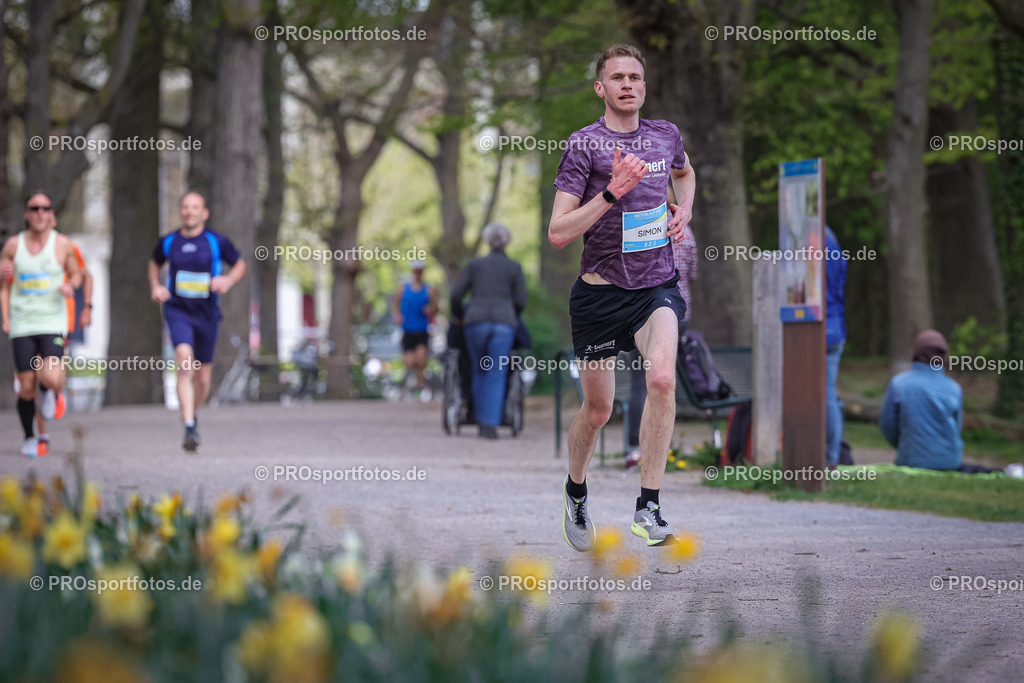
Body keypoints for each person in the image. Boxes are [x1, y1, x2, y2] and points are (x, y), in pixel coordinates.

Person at [550, 44, 695, 549]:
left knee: (661, 379)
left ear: (644, 87)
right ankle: (576, 490)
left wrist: (685, 209)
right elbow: (558, 232)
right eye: (617, 77)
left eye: (635, 77)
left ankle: (648, 507)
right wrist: (612, 191)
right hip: (599, 295)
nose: (627, 84)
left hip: (655, 287)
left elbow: (685, 173)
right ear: (601, 88)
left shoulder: (665, 135)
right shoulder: (584, 145)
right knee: (598, 411)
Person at [149, 192, 246, 451]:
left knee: (203, 379)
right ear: (180, 212)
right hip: (178, 311)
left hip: (207, 314)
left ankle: (192, 412)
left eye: (195, 207)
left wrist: (228, 280)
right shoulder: (169, 241)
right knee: (184, 362)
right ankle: (189, 426)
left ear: (204, 213)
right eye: (185, 207)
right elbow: (154, 263)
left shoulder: (216, 241)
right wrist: (156, 286)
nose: (189, 212)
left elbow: (240, 265)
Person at [0, 193, 83, 457]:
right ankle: (29, 437)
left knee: (50, 376)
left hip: (52, 321)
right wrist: (5, 317)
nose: (39, 212)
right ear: (26, 214)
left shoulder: (62, 244)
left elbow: (77, 273)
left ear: (51, 214)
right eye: (34, 208)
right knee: (26, 386)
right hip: (23, 323)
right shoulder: (13, 245)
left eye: (45, 208)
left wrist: (71, 285)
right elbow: (3, 285)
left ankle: (49, 390)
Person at [878, 330, 1002, 474]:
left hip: (912, 460)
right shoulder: (954, 388)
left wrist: (902, 445)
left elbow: (887, 423)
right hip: (950, 461)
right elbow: (957, 427)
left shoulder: (899, 384)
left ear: (916, 352)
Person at [625, 223, 697, 468]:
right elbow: (693, 273)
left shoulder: (639, 225)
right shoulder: (685, 232)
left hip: (641, 313)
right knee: (666, 381)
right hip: (679, 312)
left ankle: (635, 450)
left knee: (640, 382)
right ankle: (662, 449)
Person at [451, 223, 527, 439]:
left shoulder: (475, 265)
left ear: (487, 242)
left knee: (478, 370)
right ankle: (491, 424)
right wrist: (512, 315)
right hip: (504, 324)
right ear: (507, 243)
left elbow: (456, 295)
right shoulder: (514, 267)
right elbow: (520, 300)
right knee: (496, 372)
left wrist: (458, 315)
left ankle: (480, 419)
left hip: (475, 322)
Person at [392, 260, 438, 394]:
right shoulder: (403, 288)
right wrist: (396, 316)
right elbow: (395, 304)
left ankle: (420, 385)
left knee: (421, 360)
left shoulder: (428, 290)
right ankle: (411, 383)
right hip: (407, 330)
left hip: (422, 330)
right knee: (410, 362)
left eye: (419, 271)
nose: (417, 273)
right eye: (415, 271)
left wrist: (430, 309)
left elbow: (436, 307)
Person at [824, 226, 847, 468]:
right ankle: (832, 456)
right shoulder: (833, 243)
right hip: (835, 328)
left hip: (813, 327)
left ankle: (824, 455)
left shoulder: (807, 238)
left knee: (821, 395)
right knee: (829, 394)